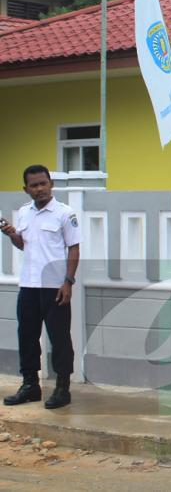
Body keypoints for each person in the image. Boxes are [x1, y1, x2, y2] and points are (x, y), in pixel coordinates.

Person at [1, 165, 79, 410]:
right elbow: (24, 246)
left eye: (43, 183)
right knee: (27, 337)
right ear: (26, 189)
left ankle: (62, 388)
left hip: (55, 287)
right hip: (29, 286)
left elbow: (74, 248)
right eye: (34, 185)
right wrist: (12, 235)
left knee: (60, 339)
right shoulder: (24, 213)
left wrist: (68, 282)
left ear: (51, 184)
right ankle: (30, 386)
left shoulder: (65, 213)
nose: (40, 188)